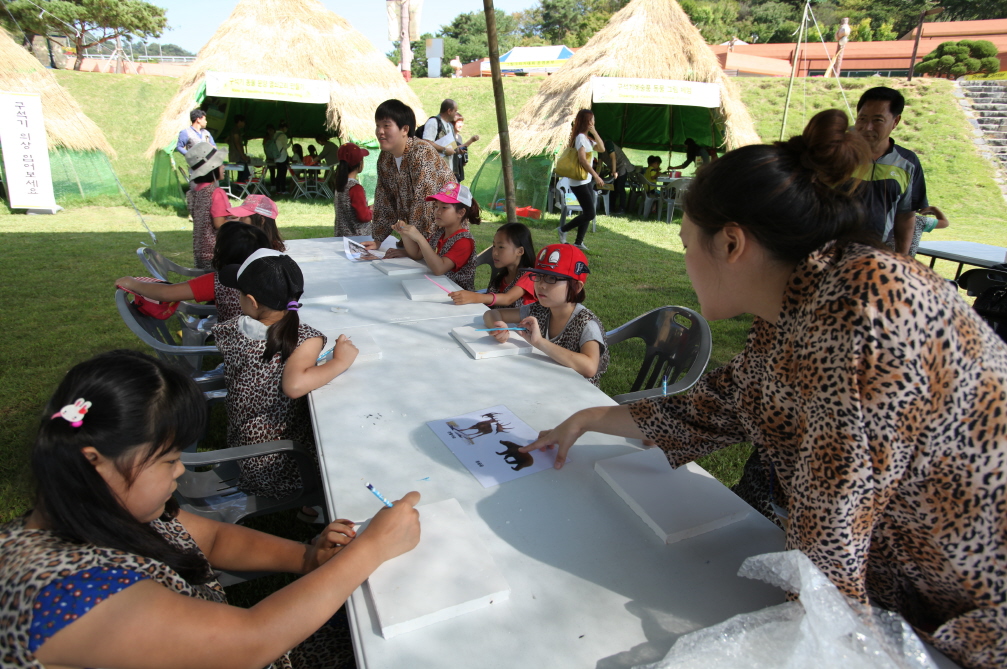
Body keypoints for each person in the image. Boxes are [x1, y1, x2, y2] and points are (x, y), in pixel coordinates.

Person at [520, 109, 1007, 669]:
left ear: (731, 243)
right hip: (917, 605)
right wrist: (585, 419)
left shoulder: (861, 313)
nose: (684, 259)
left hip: (971, 627)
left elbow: (827, 557)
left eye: (685, 244)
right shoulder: (806, 297)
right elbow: (717, 405)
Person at [0, 349, 420, 668]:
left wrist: (308, 557)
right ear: (95, 461)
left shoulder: (110, 506)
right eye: (167, 460)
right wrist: (372, 549)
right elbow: (252, 642)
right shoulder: (66, 599)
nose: (180, 469)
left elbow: (214, 536)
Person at [213, 249, 359, 509]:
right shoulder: (306, 338)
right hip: (277, 464)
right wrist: (339, 362)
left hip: (244, 444)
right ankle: (315, 507)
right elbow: (294, 386)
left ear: (251, 301)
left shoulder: (231, 328)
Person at [483, 243, 608, 386]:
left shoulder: (586, 323)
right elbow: (492, 313)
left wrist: (539, 342)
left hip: (575, 394)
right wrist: (498, 327)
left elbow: (590, 367)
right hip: (542, 383)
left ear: (577, 286)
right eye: (538, 276)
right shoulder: (539, 309)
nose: (541, 285)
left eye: (551, 279)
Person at [115, 221, 271, 324]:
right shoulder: (272, 275)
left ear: (222, 253)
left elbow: (166, 294)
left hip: (237, 345)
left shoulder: (218, 281)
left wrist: (132, 283)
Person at [852, 86, 927, 254]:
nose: (867, 127)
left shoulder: (907, 163)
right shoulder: (835, 155)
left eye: (877, 120)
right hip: (829, 253)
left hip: (877, 254)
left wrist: (902, 259)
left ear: (895, 121)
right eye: (862, 119)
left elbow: (906, 216)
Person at [371, 99, 455, 244]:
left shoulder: (421, 152)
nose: (380, 132)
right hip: (415, 239)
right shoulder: (385, 157)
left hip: (443, 237)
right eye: (377, 126)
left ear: (405, 129)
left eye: (386, 126)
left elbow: (424, 204)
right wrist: (378, 241)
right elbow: (384, 201)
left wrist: (414, 250)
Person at [392, 182, 480, 291]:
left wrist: (419, 238)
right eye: (436, 206)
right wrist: (404, 234)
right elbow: (417, 254)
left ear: (461, 212)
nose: (437, 212)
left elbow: (439, 269)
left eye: (444, 207)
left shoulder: (464, 241)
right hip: (438, 289)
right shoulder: (440, 234)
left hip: (456, 296)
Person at [449, 222, 537, 308]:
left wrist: (474, 297)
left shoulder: (529, 276)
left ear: (520, 251)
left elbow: (508, 299)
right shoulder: (501, 278)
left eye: (501, 247)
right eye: (494, 246)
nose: (494, 252)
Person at [556, 109, 604, 251]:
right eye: (592, 120)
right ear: (588, 121)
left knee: (588, 211)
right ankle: (563, 229)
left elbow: (601, 148)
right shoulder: (580, 138)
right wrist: (596, 175)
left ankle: (578, 242)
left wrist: (594, 132)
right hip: (579, 182)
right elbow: (582, 160)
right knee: (590, 213)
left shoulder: (587, 138)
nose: (594, 122)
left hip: (586, 180)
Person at [184, 141, 230, 270]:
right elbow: (219, 223)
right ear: (212, 168)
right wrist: (241, 220)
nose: (224, 167)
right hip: (216, 252)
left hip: (200, 251)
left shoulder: (193, 193)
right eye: (221, 164)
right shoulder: (217, 193)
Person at [334, 142, 373, 237]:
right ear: (359, 164)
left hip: (342, 236)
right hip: (358, 239)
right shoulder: (355, 188)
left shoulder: (341, 185)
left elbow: (350, 211)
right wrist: (373, 211)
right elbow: (363, 216)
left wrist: (369, 208)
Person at [422, 98, 460, 166]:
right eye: (455, 111)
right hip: (434, 168)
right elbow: (426, 143)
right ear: (449, 111)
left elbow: (451, 147)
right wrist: (444, 150)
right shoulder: (433, 122)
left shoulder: (450, 126)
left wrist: (458, 150)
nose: (456, 114)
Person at [601, 139, 633, 214]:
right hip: (614, 167)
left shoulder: (608, 144)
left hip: (622, 166)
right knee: (612, 188)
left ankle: (622, 208)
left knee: (620, 187)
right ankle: (611, 207)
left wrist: (614, 171)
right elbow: (600, 162)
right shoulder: (598, 147)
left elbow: (613, 158)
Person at [451, 114, 480, 183]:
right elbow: (453, 149)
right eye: (458, 122)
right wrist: (471, 141)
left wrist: (463, 160)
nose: (461, 125)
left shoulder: (459, 137)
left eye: (461, 122)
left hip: (458, 169)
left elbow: (459, 150)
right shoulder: (449, 137)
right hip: (451, 170)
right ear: (452, 123)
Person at [227, 113, 249, 182]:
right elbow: (237, 143)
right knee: (245, 172)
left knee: (241, 171)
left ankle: (239, 186)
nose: (244, 123)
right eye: (243, 122)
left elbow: (226, 139)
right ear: (239, 121)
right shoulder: (236, 131)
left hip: (236, 154)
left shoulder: (234, 130)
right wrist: (243, 156)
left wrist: (231, 145)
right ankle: (241, 186)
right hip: (238, 155)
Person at [273, 120, 291, 195]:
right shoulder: (283, 136)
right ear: (283, 128)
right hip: (282, 157)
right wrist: (290, 143)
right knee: (282, 174)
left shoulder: (274, 135)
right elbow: (285, 146)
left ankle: (278, 189)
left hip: (276, 157)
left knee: (278, 174)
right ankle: (283, 190)